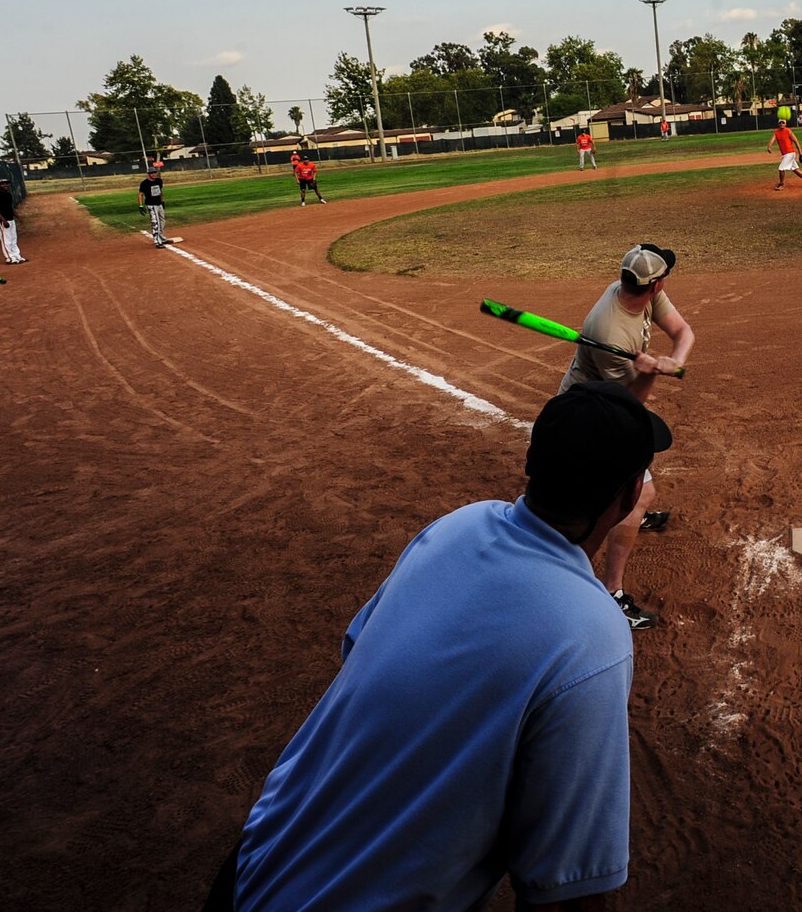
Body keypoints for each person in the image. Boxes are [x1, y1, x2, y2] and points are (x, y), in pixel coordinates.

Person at [224, 381, 671, 912]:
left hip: (249, 866)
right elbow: (569, 893)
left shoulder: (457, 525)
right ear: (622, 500)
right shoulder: (592, 632)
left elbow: (357, 652)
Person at [560, 244, 695, 631]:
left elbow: (684, 331)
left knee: (631, 492)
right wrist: (649, 372)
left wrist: (674, 361)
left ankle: (626, 511)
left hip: (611, 399)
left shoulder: (634, 290)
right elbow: (630, 402)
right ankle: (612, 592)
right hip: (590, 411)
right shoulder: (610, 331)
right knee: (642, 492)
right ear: (655, 283)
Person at [0, 177, 27, 265]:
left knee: (13, 238)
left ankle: (17, 255)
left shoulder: (8, 195)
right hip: (0, 219)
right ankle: (10, 258)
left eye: (7, 183)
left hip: (10, 218)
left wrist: (18, 217)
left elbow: (10, 207)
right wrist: (3, 220)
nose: (5, 185)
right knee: (6, 239)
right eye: (3, 184)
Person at [768, 119, 802, 189]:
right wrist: (769, 147)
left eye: (783, 122)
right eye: (780, 123)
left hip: (790, 153)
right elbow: (772, 140)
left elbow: (796, 141)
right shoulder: (776, 132)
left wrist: (800, 153)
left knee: (781, 168)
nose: (781, 124)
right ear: (778, 124)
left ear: (785, 124)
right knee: (795, 169)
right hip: (785, 154)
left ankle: (781, 184)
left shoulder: (788, 131)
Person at [138, 166, 169, 248]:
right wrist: (141, 205)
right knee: (156, 222)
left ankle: (162, 238)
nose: (154, 174)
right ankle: (157, 241)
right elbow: (140, 194)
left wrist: (162, 201)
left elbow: (160, 192)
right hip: (151, 205)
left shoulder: (159, 181)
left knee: (162, 221)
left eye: (155, 172)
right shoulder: (144, 183)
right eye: (152, 173)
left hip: (159, 204)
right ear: (148, 174)